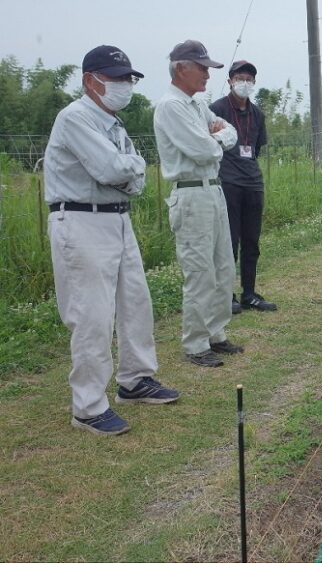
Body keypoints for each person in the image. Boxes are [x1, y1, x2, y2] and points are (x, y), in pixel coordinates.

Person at [44, 45, 180, 436]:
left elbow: (134, 179)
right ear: (91, 80)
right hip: (80, 219)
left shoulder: (113, 123)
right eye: (117, 78)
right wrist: (128, 168)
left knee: (135, 301)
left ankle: (135, 379)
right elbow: (110, 168)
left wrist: (127, 168)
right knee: (92, 313)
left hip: (117, 218)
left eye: (128, 78)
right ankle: (88, 406)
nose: (125, 85)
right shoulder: (75, 117)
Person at [153, 40, 244, 367]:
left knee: (223, 265)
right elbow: (203, 150)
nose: (207, 74)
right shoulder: (171, 106)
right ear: (181, 69)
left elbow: (230, 133)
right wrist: (215, 138)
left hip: (213, 190)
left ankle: (215, 332)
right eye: (202, 68)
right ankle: (195, 343)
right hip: (191, 192)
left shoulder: (195, 104)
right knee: (199, 269)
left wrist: (215, 136)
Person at [209, 60, 276, 314]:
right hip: (228, 181)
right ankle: (227, 295)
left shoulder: (258, 114)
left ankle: (249, 293)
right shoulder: (217, 109)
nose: (244, 83)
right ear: (230, 81)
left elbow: (255, 148)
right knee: (229, 241)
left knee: (251, 241)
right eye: (240, 78)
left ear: (254, 83)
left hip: (252, 181)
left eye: (249, 79)